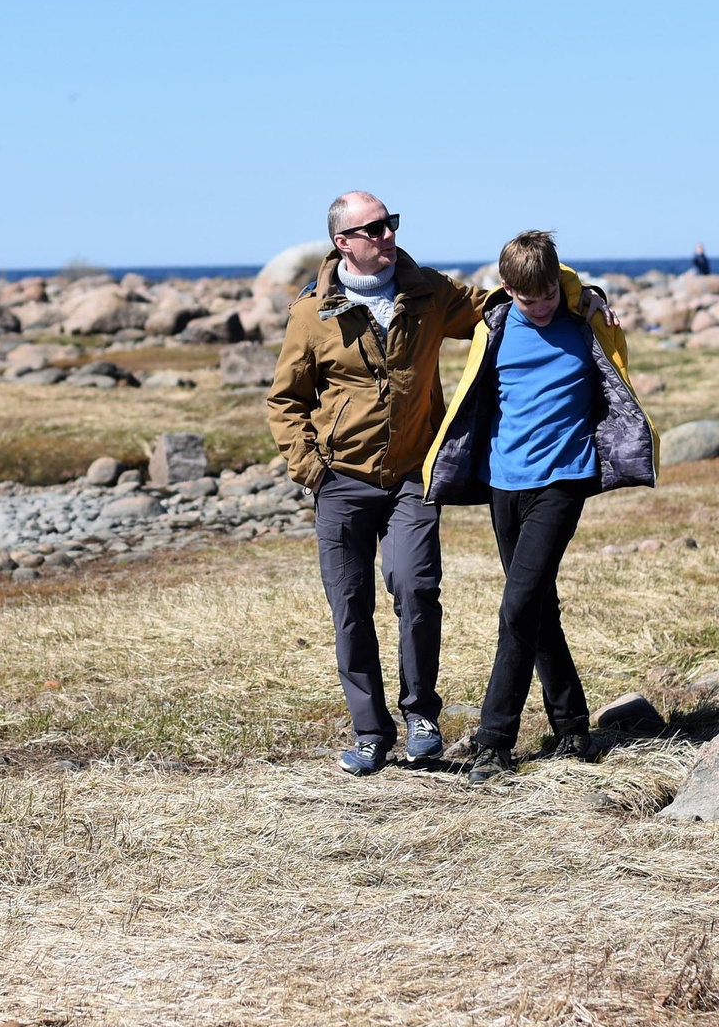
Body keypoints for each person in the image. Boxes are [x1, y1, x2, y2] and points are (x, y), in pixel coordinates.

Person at [423, 230, 658, 783]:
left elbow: (608, 361)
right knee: (536, 606)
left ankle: (494, 742)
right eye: (531, 298)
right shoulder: (495, 327)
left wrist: (587, 292)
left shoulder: (585, 320)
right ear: (508, 290)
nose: (544, 304)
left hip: (565, 480)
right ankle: (573, 726)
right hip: (505, 483)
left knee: (516, 606)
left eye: (551, 290)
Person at [267, 191, 485, 775]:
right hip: (340, 483)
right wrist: (312, 470)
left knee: (415, 588)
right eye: (374, 229)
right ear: (343, 242)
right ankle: (370, 730)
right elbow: (286, 401)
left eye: (391, 224)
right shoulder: (311, 313)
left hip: (413, 477)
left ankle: (422, 715)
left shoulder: (429, 291)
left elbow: (501, 308)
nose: (387, 235)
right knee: (350, 608)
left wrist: (576, 293)